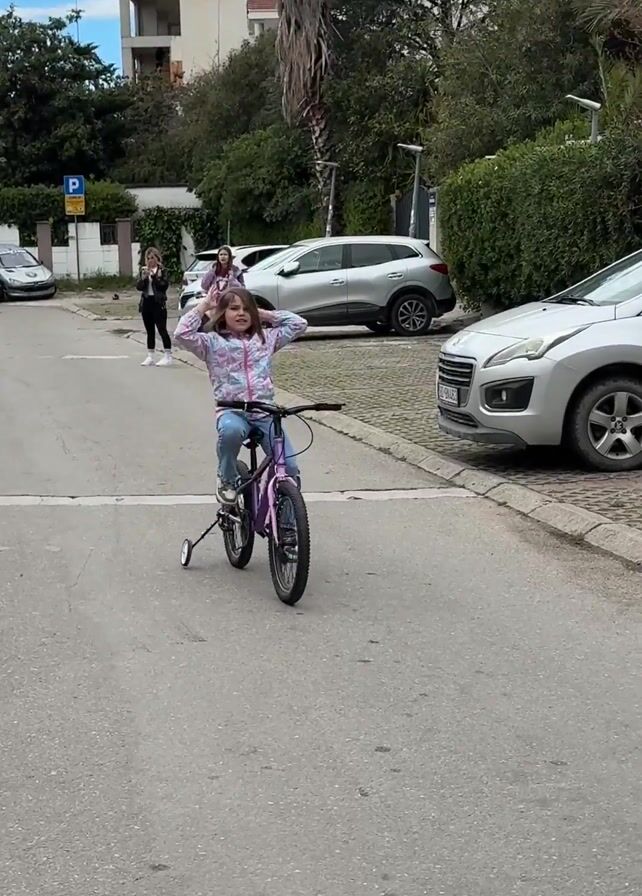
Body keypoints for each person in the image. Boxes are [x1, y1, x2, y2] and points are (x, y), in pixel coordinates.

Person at [174, 286, 307, 505]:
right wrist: (204, 306)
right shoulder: (211, 343)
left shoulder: (265, 339)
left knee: (289, 465)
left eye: (247, 309)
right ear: (222, 313)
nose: (241, 313)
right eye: (234, 308)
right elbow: (182, 333)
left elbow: (299, 324)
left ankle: (285, 511)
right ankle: (226, 479)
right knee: (231, 431)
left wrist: (262, 313)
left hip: (264, 412)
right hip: (232, 411)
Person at [137, 247, 172, 367]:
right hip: (147, 302)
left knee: (162, 329)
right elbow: (139, 287)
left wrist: (154, 277)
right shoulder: (144, 270)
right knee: (149, 330)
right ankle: (150, 356)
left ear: (157, 258)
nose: (150, 260)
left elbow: (164, 286)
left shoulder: (162, 271)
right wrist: (143, 279)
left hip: (158, 303)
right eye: (148, 258)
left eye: (152, 258)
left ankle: (167, 355)